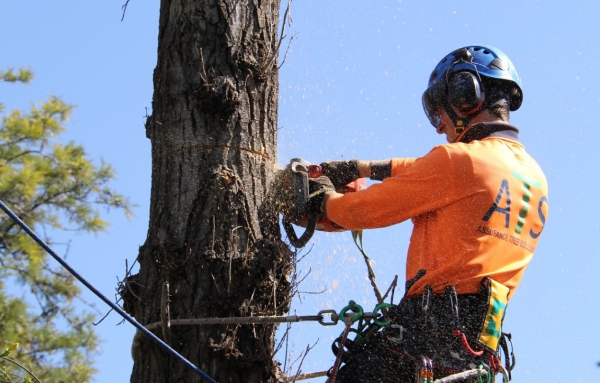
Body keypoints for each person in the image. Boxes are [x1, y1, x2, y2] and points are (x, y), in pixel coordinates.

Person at [307, 45, 549, 382]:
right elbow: (427, 170)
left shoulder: (459, 161)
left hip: (422, 344)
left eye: (440, 112)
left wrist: (320, 200)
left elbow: (364, 210)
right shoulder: (533, 178)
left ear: (467, 95)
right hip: (474, 356)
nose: (440, 127)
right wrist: (359, 168)